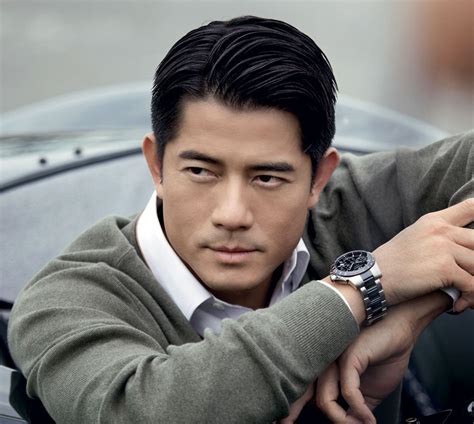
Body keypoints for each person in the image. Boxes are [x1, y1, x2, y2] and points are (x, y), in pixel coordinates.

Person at [7, 15, 473, 424]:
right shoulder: (64, 302)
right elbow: (143, 410)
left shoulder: (350, 206)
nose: (232, 214)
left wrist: (413, 314)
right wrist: (363, 289)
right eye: (201, 171)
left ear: (318, 177)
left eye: (267, 178)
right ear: (156, 164)